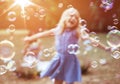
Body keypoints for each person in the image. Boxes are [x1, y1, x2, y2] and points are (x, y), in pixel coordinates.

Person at [24, 7, 111, 84]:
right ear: (64, 18)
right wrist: (30, 38)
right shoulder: (58, 30)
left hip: (70, 61)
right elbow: (43, 34)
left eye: (76, 17)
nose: (73, 18)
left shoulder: (76, 31)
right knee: (57, 80)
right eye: (70, 16)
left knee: (69, 81)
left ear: (77, 21)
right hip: (59, 59)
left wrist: (105, 47)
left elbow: (90, 40)